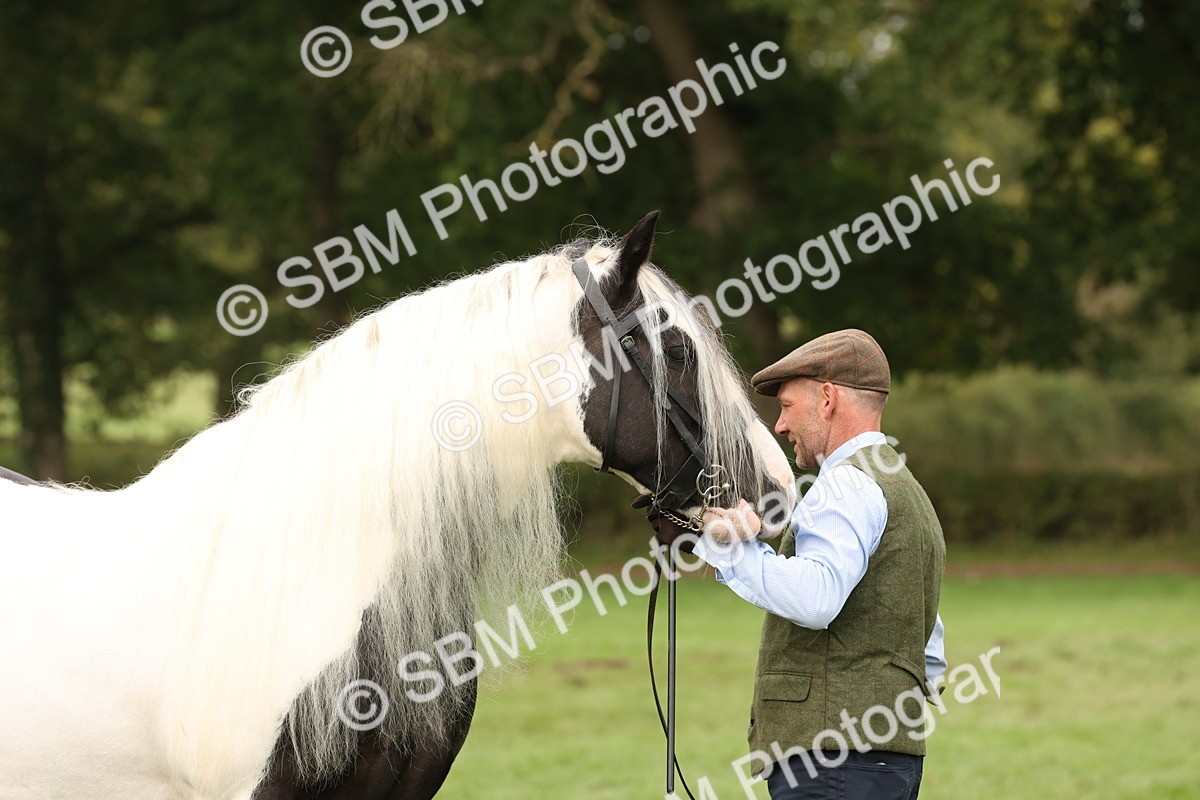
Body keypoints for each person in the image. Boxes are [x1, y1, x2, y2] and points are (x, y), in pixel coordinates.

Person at [644, 329, 946, 800]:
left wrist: (709, 540)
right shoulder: (908, 491)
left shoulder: (844, 485)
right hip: (890, 761)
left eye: (786, 407)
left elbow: (815, 598)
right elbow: (930, 653)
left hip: (831, 765)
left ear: (827, 398)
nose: (780, 427)